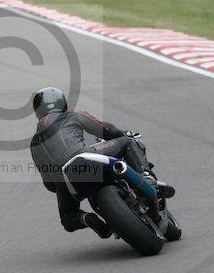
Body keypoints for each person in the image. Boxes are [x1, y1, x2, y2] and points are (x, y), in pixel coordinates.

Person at [30, 87, 175, 239]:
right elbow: (106, 129)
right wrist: (121, 134)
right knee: (127, 142)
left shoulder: (34, 143)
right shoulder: (72, 116)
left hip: (64, 180)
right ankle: (146, 177)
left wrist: (63, 186)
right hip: (85, 158)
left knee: (68, 217)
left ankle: (87, 219)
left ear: (38, 111)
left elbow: (49, 184)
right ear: (63, 103)